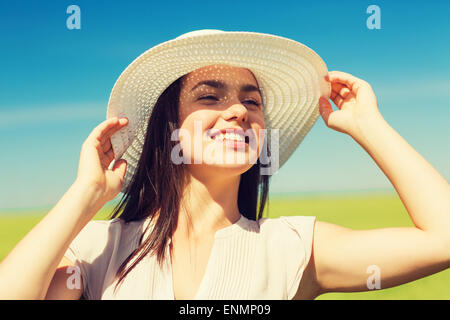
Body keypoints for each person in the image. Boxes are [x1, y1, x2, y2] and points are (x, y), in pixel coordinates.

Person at [0, 30, 448, 300]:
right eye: (210, 96)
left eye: (251, 102)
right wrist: (86, 194)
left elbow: (443, 240)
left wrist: (369, 125)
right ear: (167, 127)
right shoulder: (99, 248)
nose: (239, 112)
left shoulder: (294, 248)